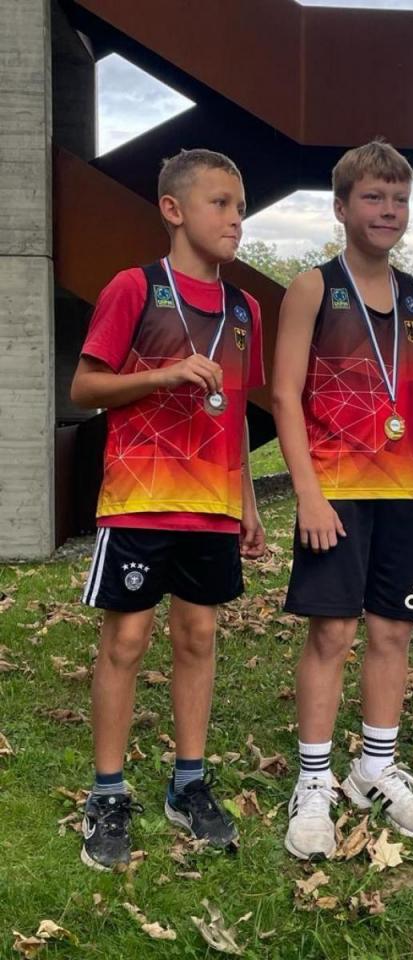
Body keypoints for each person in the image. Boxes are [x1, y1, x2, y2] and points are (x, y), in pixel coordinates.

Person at [70, 148, 265, 869]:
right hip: (139, 501)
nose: (236, 219)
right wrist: (164, 374)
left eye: (241, 207)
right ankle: (107, 792)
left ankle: (188, 783)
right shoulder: (135, 288)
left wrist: (247, 502)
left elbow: (234, 411)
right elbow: (85, 387)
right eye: (221, 203)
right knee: (126, 641)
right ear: (173, 210)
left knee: (199, 636)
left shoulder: (244, 310)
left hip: (211, 504)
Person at [272, 140, 413, 860]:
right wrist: (308, 495)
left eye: (400, 198)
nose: (389, 210)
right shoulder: (313, 288)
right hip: (337, 491)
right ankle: (314, 781)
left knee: (394, 631)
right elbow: (284, 396)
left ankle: (374, 769)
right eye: (374, 197)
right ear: (342, 206)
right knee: (332, 633)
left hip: (406, 487)